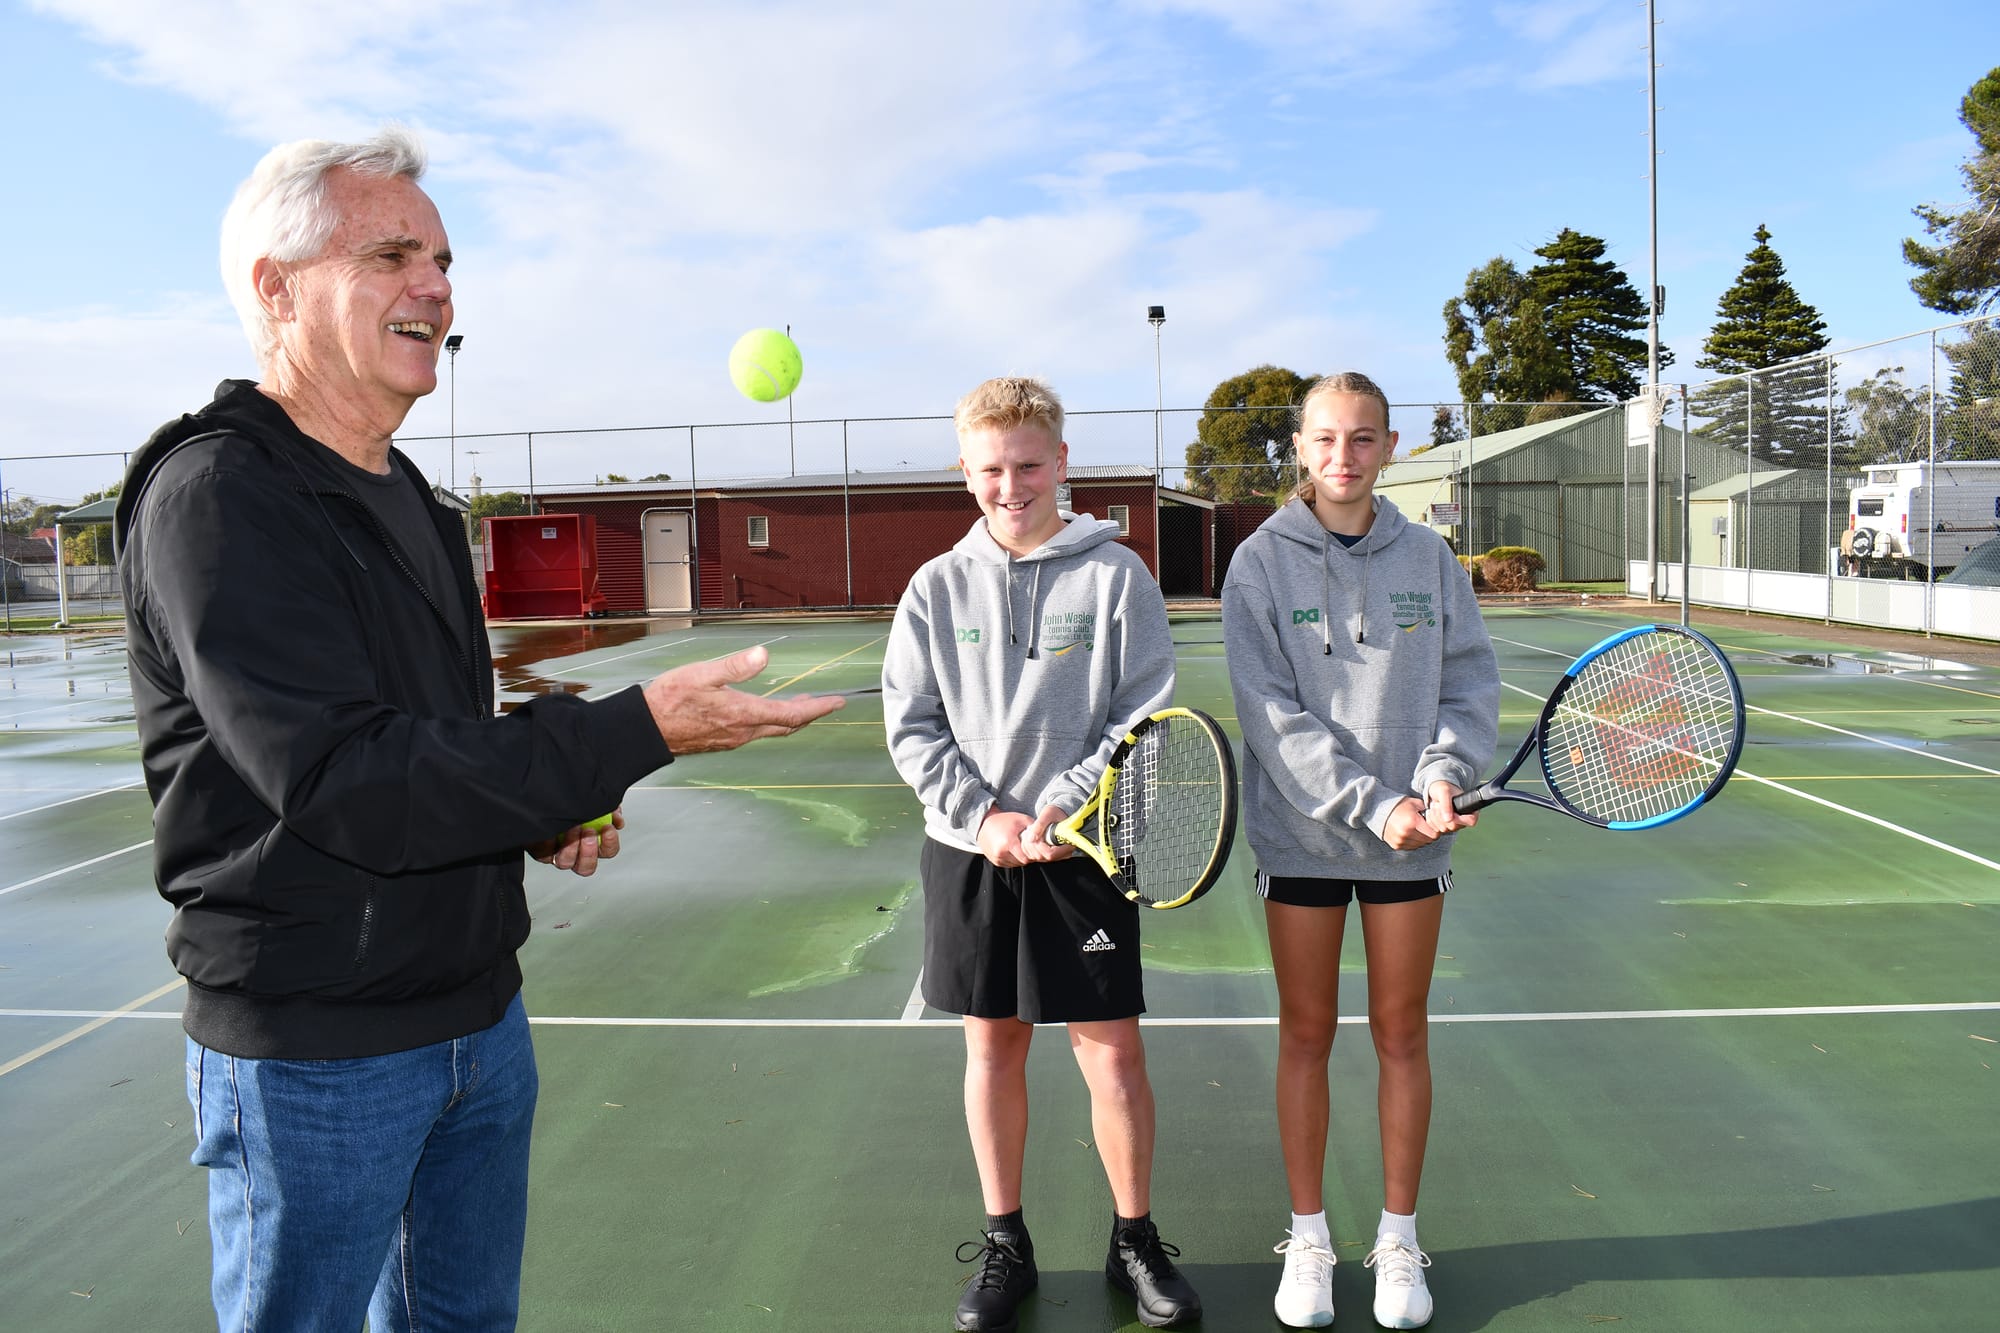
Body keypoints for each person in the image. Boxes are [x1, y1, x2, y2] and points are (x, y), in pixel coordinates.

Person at [112, 127, 842, 1333]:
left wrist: (546, 802)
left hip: (477, 1020)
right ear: (275, 289)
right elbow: (346, 780)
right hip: (314, 1054)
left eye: (443, 258)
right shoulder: (220, 496)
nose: (437, 286)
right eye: (392, 252)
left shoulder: (414, 501)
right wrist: (630, 732)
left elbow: (433, 738)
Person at [881, 377, 1202, 1332]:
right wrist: (983, 816)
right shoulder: (935, 588)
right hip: (972, 851)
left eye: (1028, 465)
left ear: (1062, 462)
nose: (1010, 485)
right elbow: (912, 725)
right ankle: (1007, 1244)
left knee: (1111, 1053)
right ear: (966, 472)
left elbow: (1140, 712)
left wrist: (1062, 807)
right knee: (992, 1044)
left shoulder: (1116, 577)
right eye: (990, 468)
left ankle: (1135, 1239)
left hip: (1086, 851)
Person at [1220, 372, 1499, 1330]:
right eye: (1327, 439)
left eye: (1364, 439)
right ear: (1300, 447)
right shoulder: (1259, 563)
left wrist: (1442, 776)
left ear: (1389, 447)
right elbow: (1270, 716)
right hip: (1304, 837)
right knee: (1305, 1033)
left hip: (1411, 846)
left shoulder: (1430, 557)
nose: (1345, 457)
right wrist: (1374, 806)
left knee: (1400, 1033)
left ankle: (1396, 1238)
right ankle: (1309, 1238)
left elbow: (1467, 683)